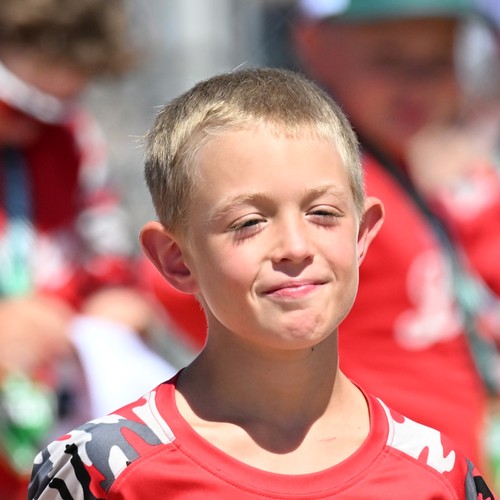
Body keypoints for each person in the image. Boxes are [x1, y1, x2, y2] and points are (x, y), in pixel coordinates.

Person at [27, 67, 495, 499]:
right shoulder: (99, 469)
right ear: (176, 259)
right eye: (249, 222)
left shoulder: (439, 474)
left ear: (362, 234)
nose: (295, 246)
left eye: (322, 213)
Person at [290, 0, 500, 477]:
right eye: (388, 58)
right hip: (373, 473)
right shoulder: (316, 183)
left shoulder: (421, 173)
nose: (416, 83)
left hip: (445, 468)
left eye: (438, 61)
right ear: (315, 46)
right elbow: (180, 288)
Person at [0, 1, 176, 497]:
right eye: (23, 106)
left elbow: (109, 262)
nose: (34, 127)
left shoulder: (69, 139)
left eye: (61, 107)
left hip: (52, 419)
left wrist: (115, 305)